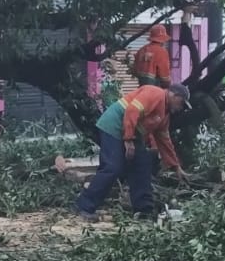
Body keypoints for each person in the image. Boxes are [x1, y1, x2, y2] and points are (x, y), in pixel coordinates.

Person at [76, 83, 189, 218]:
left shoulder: (164, 114)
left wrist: (176, 167)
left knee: (142, 164)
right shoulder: (156, 93)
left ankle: (143, 210)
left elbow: (164, 140)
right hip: (114, 125)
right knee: (112, 167)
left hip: (132, 133)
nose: (180, 108)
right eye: (181, 103)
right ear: (174, 95)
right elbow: (132, 111)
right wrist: (128, 139)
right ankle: (84, 206)